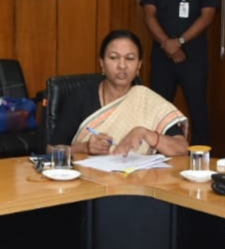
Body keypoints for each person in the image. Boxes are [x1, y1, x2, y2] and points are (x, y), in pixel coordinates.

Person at [140, 0, 221, 146]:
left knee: (198, 109)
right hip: (162, 55)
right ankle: (159, 152)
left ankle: (202, 156)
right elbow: (148, 14)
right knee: (158, 110)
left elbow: (207, 17)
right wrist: (167, 43)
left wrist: (180, 42)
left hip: (193, 57)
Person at [57, 30, 190, 158]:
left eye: (130, 58)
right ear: (102, 63)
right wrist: (85, 148)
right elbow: (51, 149)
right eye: (114, 58)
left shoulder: (148, 100)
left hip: (138, 174)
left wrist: (145, 134)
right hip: (87, 173)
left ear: (139, 65)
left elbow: (183, 148)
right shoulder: (81, 96)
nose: (122, 65)